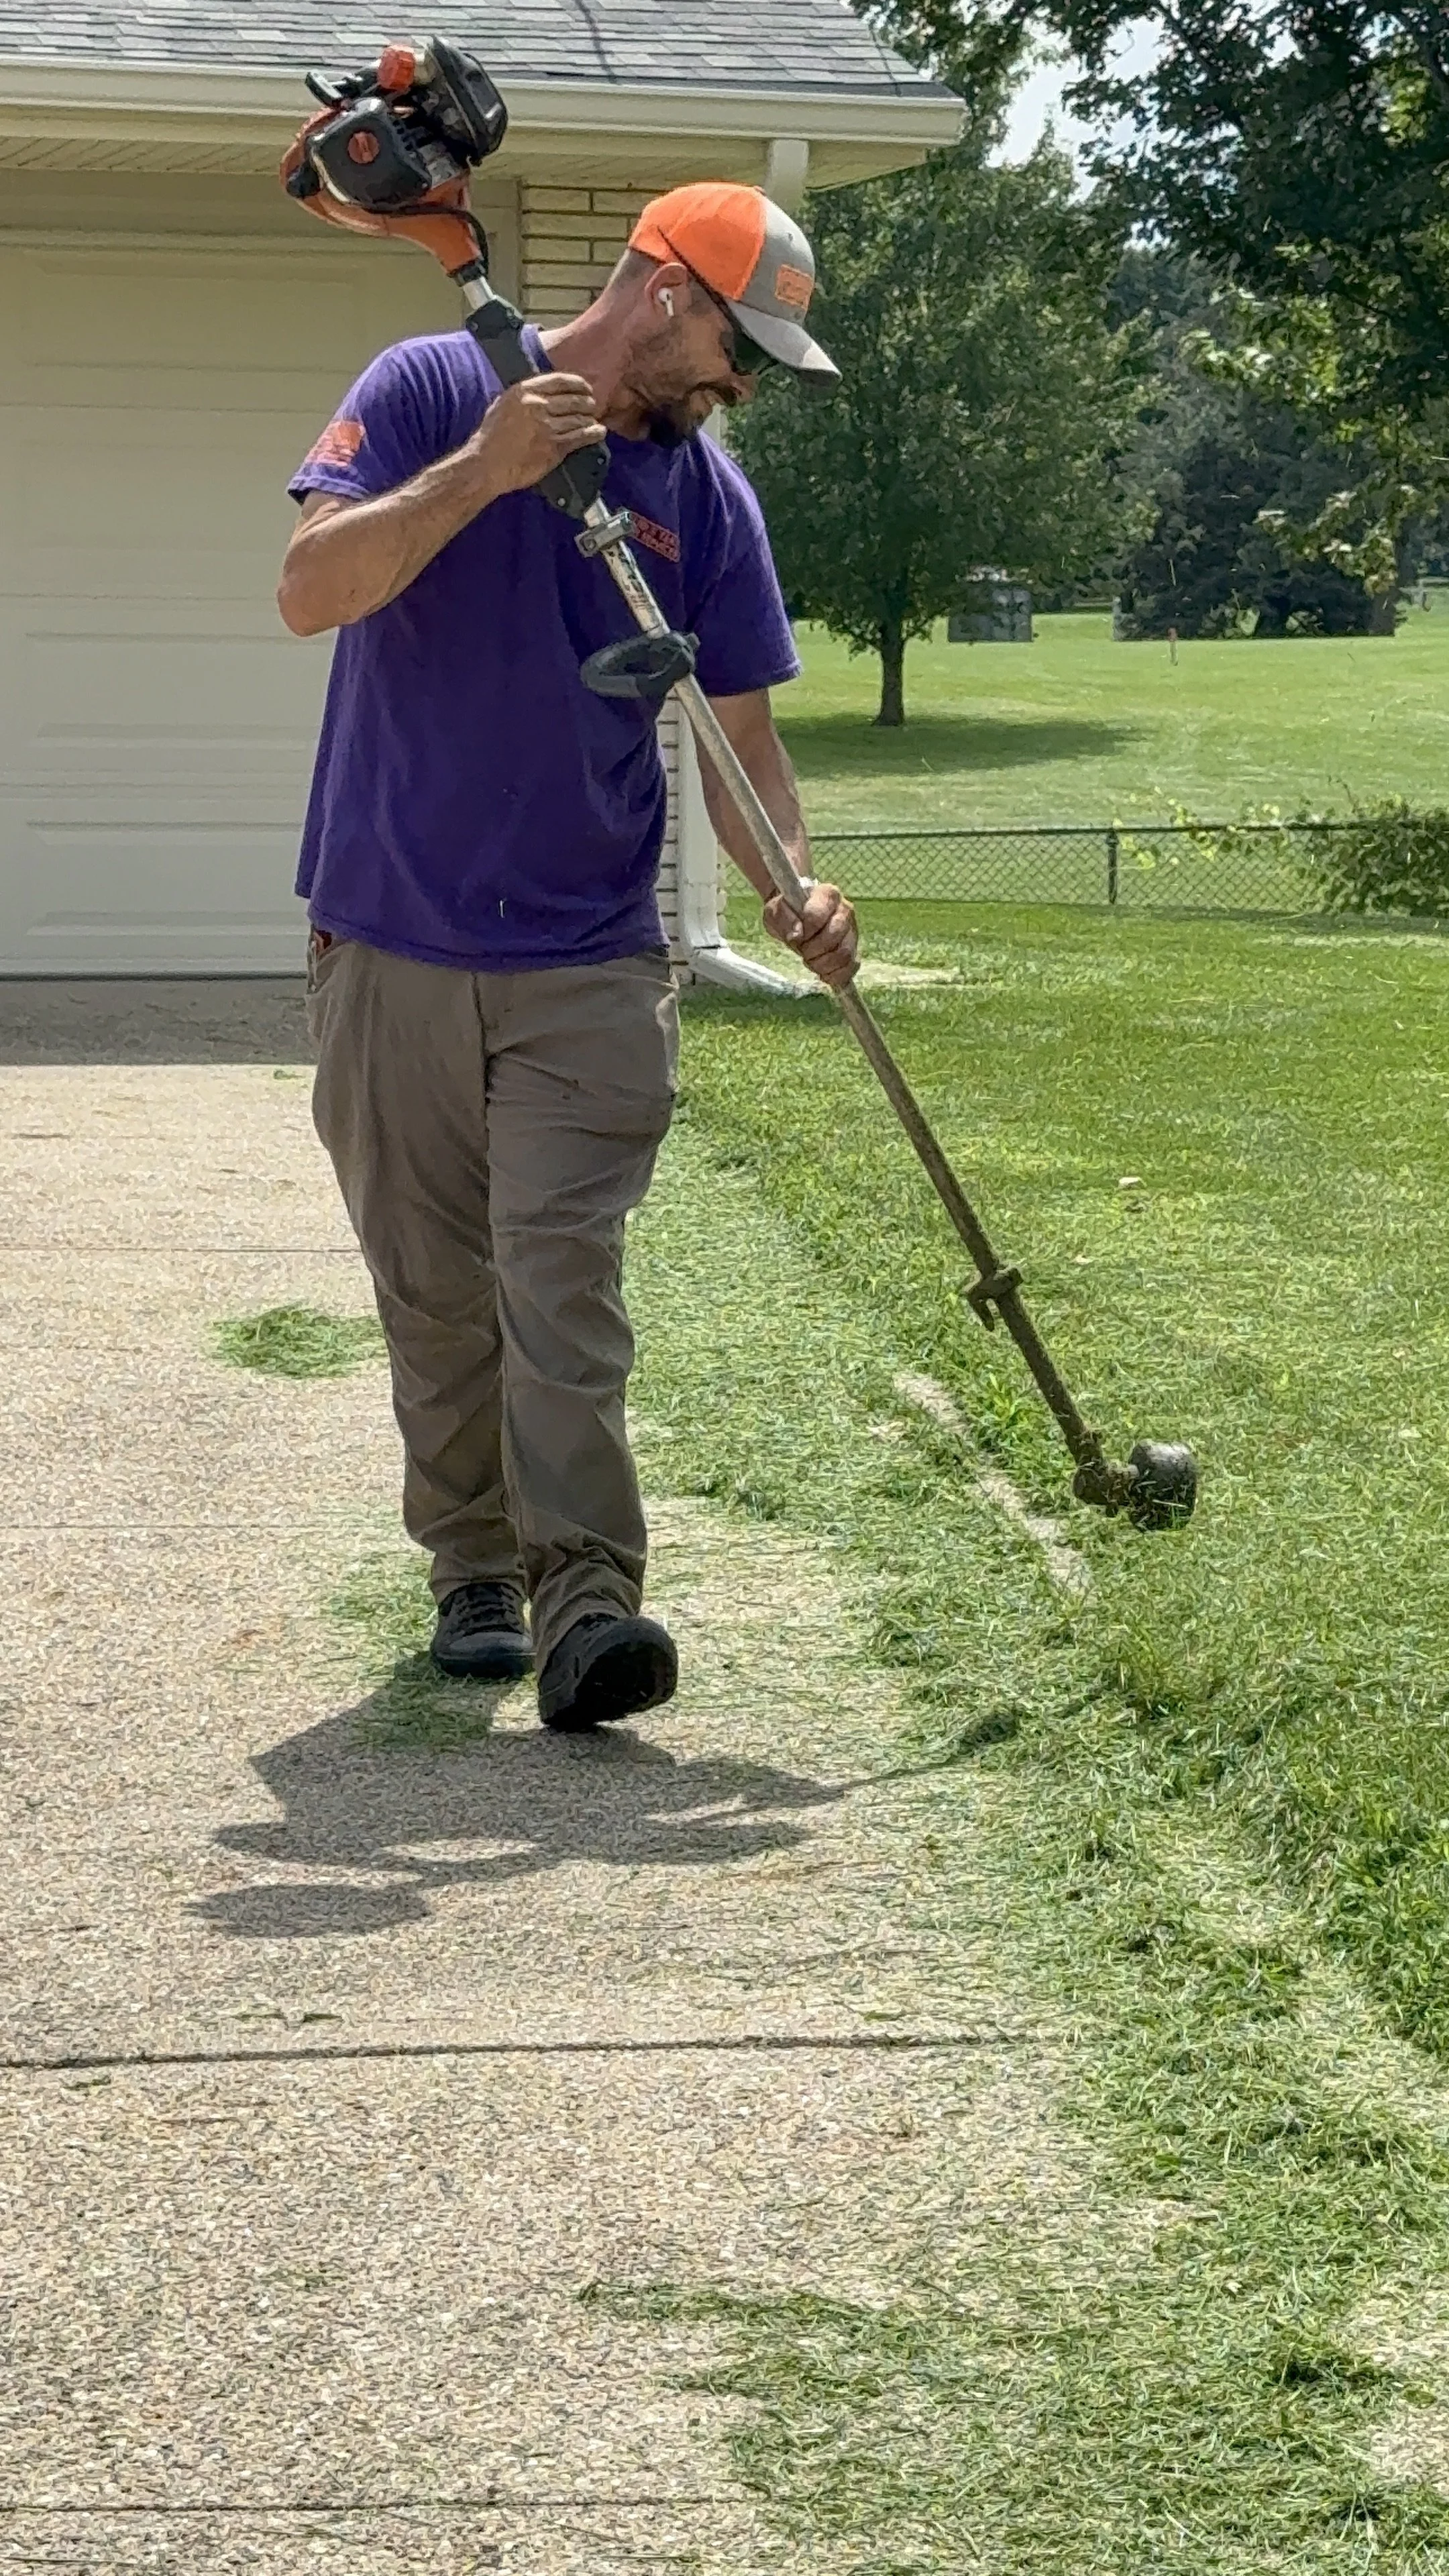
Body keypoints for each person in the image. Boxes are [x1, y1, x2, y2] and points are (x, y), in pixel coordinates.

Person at [277, 180, 859, 1735]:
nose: (742, 386)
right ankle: (470, 1562)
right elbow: (310, 591)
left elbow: (741, 727)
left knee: (561, 1281)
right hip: (387, 929)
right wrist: (485, 470)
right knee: (434, 1287)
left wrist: (801, 889)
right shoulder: (425, 390)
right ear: (665, 290)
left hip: (593, 955)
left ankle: (586, 1596)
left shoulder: (704, 501)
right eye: (741, 347)